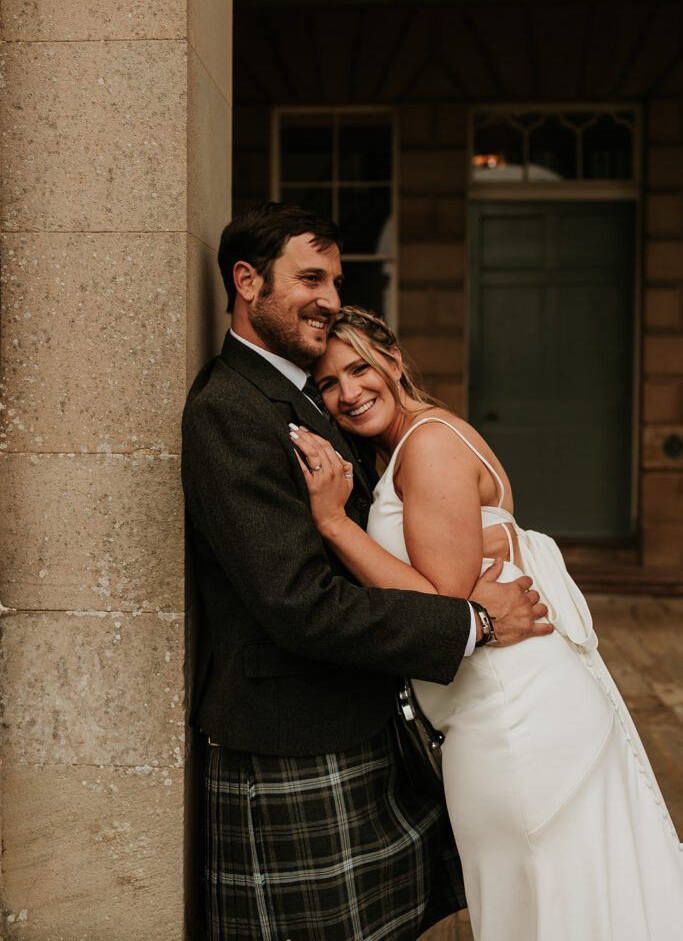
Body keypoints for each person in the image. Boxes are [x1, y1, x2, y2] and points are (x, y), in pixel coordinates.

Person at [181, 202, 550, 941]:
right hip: (290, 738)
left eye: (335, 280)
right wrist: (471, 621)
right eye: (309, 278)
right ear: (246, 281)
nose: (329, 297)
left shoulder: (296, 391)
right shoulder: (230, 407)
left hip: (351, 719)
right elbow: (298, 602)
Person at [291, 304, 683, 941]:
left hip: (511, 718)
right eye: (328, 384)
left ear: (393, 361)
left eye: (359, 368)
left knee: (542, 906)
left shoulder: (429, 444)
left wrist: (334, 524)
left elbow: (441, 609)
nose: (348, 394)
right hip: (502, 708)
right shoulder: (415, 446)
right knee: (552, 899)